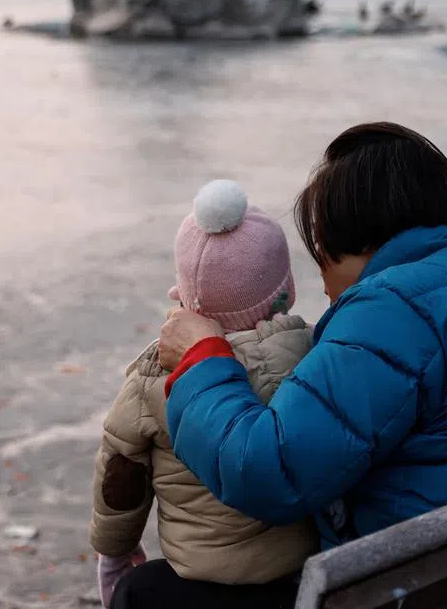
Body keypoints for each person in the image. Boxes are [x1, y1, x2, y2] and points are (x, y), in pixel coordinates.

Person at [114, 122, 447, 608]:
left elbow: (268, 471)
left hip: (431, 588)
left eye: (322, 256)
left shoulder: (391, 309)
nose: (324, 284)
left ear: (355, 240)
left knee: (144, 591)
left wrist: (202, 357)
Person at [91, 180, 317, 608]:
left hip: (200, 580)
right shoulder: (315, 352)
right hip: (300, 571)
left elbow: (122, 479)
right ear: (287, 288)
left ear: (183, 296)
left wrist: (114, 553)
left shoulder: (154, 376)